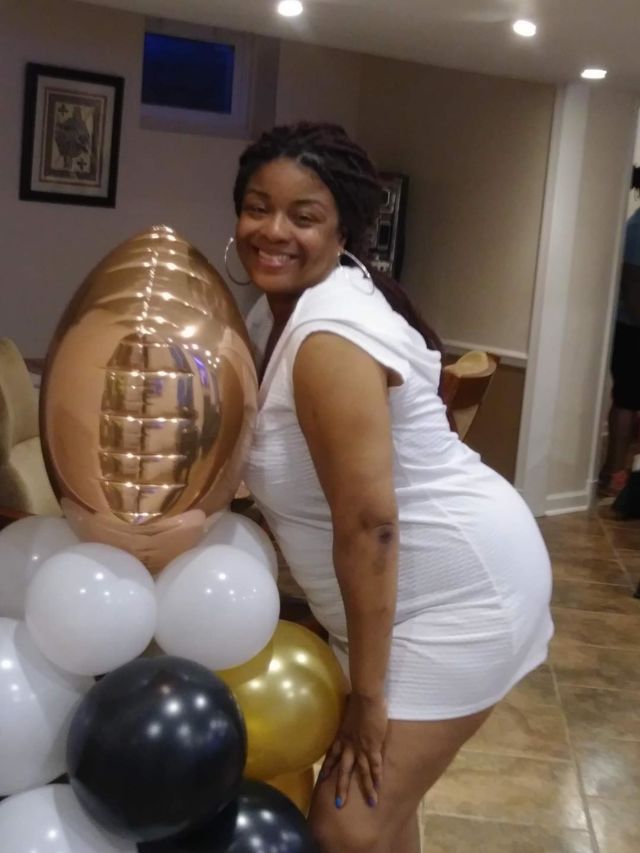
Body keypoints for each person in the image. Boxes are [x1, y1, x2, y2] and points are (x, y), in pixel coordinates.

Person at [229, 122, 553, 853]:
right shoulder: (275, 311)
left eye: (303, 216)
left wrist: (369, 699)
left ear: (342, 228)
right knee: (385, 813)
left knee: (348, 822)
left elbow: (369, 525)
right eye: (256, 207)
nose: (272, 231)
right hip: (396, 601)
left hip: (457, 596)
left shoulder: (329, 337)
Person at [599, 167, 640, 498]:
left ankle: (622, 472)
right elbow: (632, 288)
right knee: (627, 399)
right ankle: (615, 473)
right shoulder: (636, 229)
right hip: (631, 328)